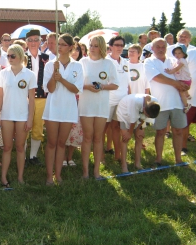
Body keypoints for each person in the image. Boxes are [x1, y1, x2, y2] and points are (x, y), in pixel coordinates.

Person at [42, 33, 84, 185]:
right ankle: (49, 176)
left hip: (69, 108)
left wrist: (62, 79)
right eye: (58, 44)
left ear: (71, 47)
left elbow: (76, 89)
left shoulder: (77, 66)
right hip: (53, 108)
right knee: (51, 142)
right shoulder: (50, 64)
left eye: (63, 45)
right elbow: (50, 89)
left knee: (62, 143)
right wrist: (54, 74)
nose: (59, 47)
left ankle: (58, 175)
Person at [0, 44, 36, 186]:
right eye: (8, 56)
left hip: (22, 115)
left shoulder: (29, 74)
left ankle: (20, 177)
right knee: (6, 147)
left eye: (13, 56)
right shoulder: (3, 73)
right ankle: (3, 177)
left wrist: (30, 118)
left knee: (20, 147)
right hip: (6, 115)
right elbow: (0, 97)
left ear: (20, 57)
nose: (10, 58)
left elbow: (31, 100)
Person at [79, 35, 119, 179]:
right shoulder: (82, 62)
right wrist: (87, 87)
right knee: (87, 137)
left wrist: (102, 86)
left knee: (98, 138)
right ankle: (85, 172)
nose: (92, 48)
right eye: (91, 45)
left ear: (101, 47)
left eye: (96, 46)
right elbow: (76, 84)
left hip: (101, 105)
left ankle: (96, 171)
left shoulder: (108, 64)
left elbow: (115, 84)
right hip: (86, 105)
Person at [144, 38, 189, 166]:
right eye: (157, 46)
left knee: (178, 131)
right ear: (152, 48)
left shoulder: (174, 61)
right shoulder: (149, 61)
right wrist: (176, 84)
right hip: (160, 103)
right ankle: (158, 159)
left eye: (163, 46)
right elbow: (157, 77)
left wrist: (185, 85)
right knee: (160, 132)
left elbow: (183, 76)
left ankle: (178, 159)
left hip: (177, 102)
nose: (160, 49)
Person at [116, 94, 160, 172]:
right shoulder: (136, 102)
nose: (147, 116)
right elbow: (133, 121)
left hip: (137, 115)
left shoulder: (155, 104)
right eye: (146, 114)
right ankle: (124, 165)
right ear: (144, 108)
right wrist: (129, 133)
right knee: (125, 138)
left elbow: (144, 118)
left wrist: (139, 128)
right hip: (124, 111)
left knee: (139, 137)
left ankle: (137, 164)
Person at [104, 36, 131, 162]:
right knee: (103, 129)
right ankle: (100, 156)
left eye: (121, 45)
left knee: (116, 128)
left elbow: (128, 83)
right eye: (117, 45)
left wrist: (129, 98)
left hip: (122, 101)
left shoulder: (126, 62)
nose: (119, 47)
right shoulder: (105, 61)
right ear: (110, 46)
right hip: (107, 100)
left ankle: (117, 155)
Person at [25, 29, 49, 166]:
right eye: (30, 40)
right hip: (24, 98)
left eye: (36, 39)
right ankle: (22, 156)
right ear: (26, 42)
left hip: (41, 97)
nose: (33, 42)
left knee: (38, 127)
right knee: (24, 126)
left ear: (40, 41)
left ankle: (33, 156)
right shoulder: (21, 56)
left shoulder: (47, 58)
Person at [182, 45, 196, 155]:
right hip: (191, 97)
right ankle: (183, 148)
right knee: (185, 124)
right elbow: (182, 70)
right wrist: (184, 90)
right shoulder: (191, 53)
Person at [164, 44, 191, 113]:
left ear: (184, 54)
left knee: (181, 92)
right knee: (183, 91)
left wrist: (170, 72)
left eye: (179, 53)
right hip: (183, 79)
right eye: (175, 53)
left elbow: (177, 69)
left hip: (184, 79)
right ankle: (187, 95)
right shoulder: (177, 61)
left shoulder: (182, 60)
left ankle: (186, 105)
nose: (177, 55)